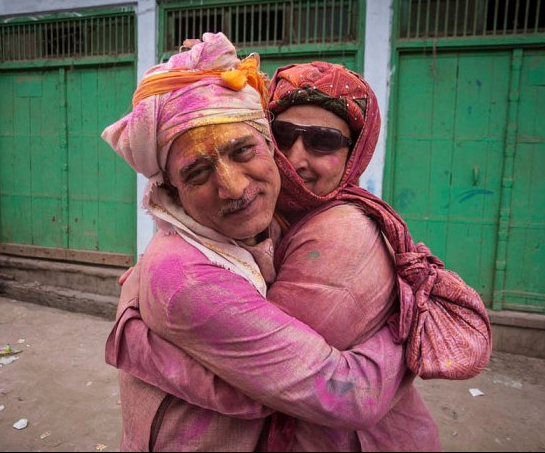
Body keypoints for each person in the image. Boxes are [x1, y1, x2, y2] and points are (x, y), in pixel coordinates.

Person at [102, 33, 438, 451]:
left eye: (324, 142)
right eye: (197, 174)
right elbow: (294, 387)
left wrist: (133, 339)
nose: (232, 187)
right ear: (173, 193)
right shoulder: (223, 244)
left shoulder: (342, 230)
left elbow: (326, 391)